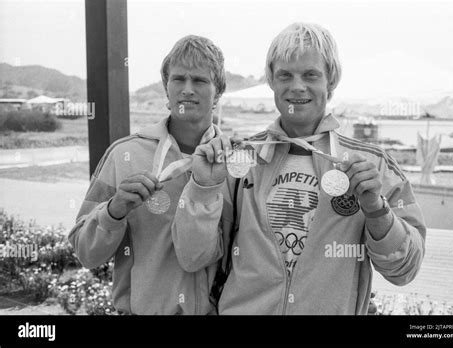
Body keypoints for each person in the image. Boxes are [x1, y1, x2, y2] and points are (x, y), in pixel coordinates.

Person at [172, 23, 426, 314]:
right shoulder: (241, 160)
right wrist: (203, 188)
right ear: (272, 81)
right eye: (285, 75)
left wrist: (376, 210)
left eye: (310, 75)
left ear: (330, 80)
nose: (296, 86)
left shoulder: (372, 165)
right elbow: (193, 257)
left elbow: (404, 270)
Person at [69, 35, 226, 315]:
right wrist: (113, 211)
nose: (187, 89)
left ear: (218, 93)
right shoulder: (123, 155)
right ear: (167, 89)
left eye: (200, 81)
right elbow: (85, 252)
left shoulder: (236, 164)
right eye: (179, 79)